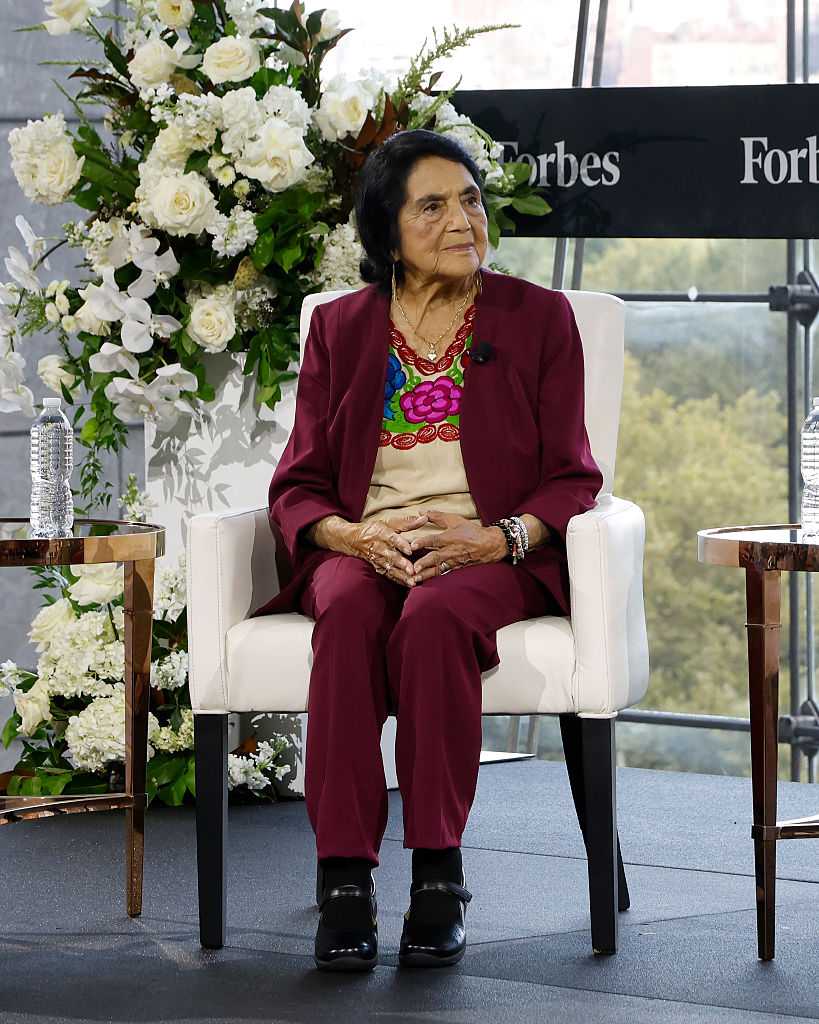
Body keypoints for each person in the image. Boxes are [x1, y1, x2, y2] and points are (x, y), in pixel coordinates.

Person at [248, 129, 604, 971]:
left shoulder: (537, 317)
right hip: (365, 544)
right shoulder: (341, 328)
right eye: (432, 205)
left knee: (436, 620)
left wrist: (497, 536)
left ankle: (437, 874)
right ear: (387, 230)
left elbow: (571, 476)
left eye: (471, 199)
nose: (461, 221)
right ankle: (344, 879)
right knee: (340, 611)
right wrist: (348, 535)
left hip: (487, 552)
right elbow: (296, 483)